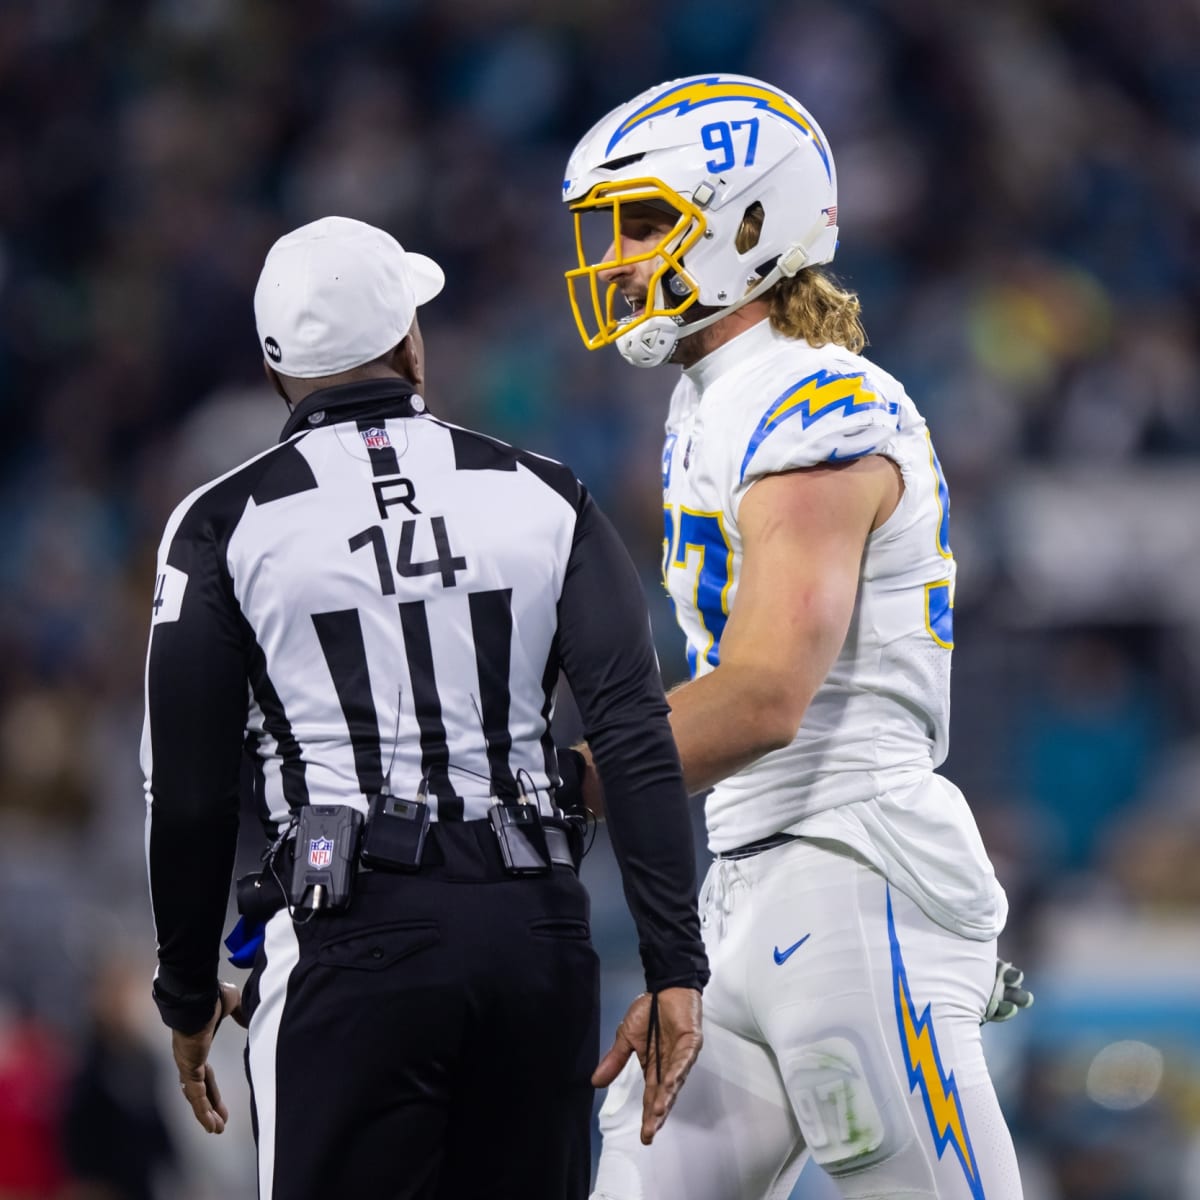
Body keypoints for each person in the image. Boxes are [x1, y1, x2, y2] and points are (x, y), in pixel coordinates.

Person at [141, 215, 708, 1200]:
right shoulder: (547, 494)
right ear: (410, 341)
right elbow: (634, 735)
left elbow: (187, 795)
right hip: (535, 930)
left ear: (279, 372)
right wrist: (674, 964)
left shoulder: (220, 524)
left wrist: (187, 988)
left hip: (346, 931)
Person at [560, 74, 1027, 1199]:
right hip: (754, 884)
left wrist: (558, 782)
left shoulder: (817, 402)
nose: (616, 257)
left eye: (642, 221)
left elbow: (768, 691)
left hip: (854, 869)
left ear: (750, 222)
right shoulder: (720, 401)